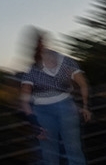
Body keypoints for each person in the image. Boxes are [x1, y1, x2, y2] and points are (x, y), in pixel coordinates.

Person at [18, 29, 92, 165]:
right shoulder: (32, 70)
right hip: (42, 112)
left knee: (72, 148)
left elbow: (82, 84)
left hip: (65, 107)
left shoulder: (66, 62)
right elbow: (24, 100)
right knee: (50, 152)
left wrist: (85, 106)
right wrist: (35, 123)